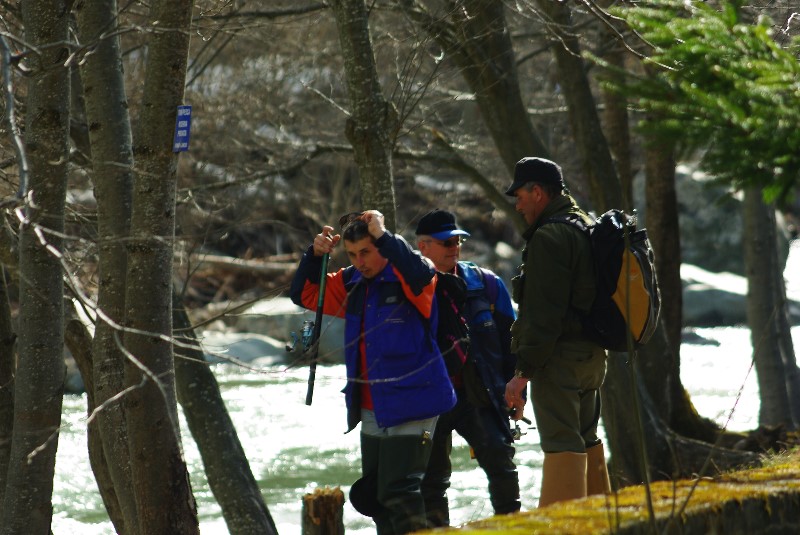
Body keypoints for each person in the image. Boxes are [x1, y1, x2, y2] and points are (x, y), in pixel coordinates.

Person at [290, 210, 456, 534]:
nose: (360, 261)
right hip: (371, 404)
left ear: (381, 245)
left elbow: (422, 273)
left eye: (366, 251)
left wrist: (383, 234)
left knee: (399, 489)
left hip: (415, 400)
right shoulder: (351, 282)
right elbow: (305, 295)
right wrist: (313, 256)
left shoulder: (410, 278)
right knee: (376, 495)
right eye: (352, 254)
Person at [503, 157, 612, 507]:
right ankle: (602, 523)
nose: (517, 204)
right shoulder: (586, 223)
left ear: (537, 192)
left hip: (560, 360)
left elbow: (543, 315)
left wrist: (522, 373)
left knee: (563, 444)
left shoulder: (551, 236)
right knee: (586, 439)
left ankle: (563, 529)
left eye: (519, 195)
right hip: (593, 357)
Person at [415, 209, 521, 525]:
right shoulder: (407, 289)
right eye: (446, 241)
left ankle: (514, 529)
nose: (454, 247)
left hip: (479, 394)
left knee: (502, 466)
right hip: (428, 400)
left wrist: (516, 387)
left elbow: (511, 342)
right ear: (423, 247)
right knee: (430, 484)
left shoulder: (487, 285)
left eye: (457, 240)